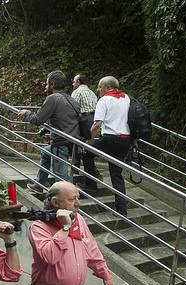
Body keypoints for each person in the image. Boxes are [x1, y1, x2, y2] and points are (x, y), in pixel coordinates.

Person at [16, 70, 81, 193]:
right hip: (72, 142)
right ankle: (39, 185)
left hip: (60, 142)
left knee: (61, 178)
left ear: (52, 84)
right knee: (45, 153)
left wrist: (26, 113)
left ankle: (67, 202)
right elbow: (64, 119)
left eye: (47, 84)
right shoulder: (71, 99)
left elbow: (37, 119)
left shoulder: (53, 98)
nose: (46, 87)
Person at [82, 76, 131, 216]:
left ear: (108, 87)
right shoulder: (126, 98)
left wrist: (90, 139)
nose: (98, 89)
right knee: (116, 173)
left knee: (86, 152)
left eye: (99, 86)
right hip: (125, 140)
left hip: (110, 138)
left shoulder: (104, 100)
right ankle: (122, 209)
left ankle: (91, 185)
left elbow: (97, 124)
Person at [71, 74, 98, 167]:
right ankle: (91, 170)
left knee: (76, 144)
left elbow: (73, 108)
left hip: (82, 121)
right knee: (87, 147)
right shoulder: (92, 93)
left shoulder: (77, 92)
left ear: (78, 82)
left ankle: (75, 167)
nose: (73, 84)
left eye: (74, 82)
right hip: (93, 122)